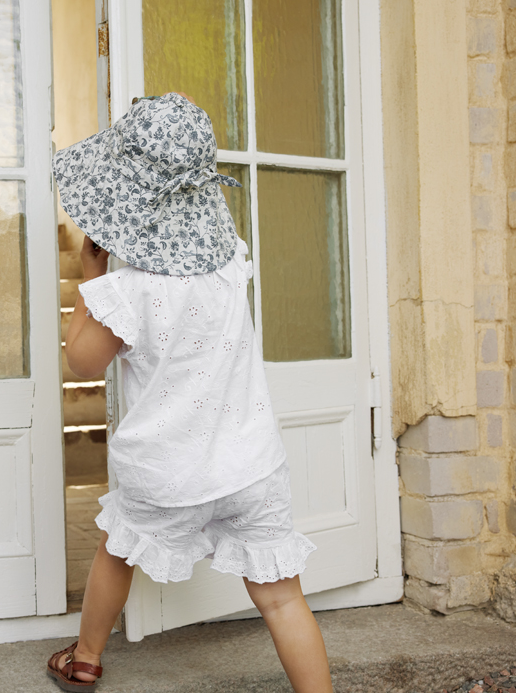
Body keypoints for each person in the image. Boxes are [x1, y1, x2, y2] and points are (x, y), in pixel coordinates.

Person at [45, 93, 334, 693]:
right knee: (282, 600)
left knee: (117, 550)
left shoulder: (126, 290)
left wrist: (89, 280)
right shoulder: (230, 262)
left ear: (122, 198)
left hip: (166, 472)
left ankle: (87, 656)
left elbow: (81, 361)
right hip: (250, 466)